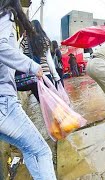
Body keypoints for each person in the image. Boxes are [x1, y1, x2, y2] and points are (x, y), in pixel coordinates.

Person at [0, 0, 56, 179]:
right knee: (42, 151)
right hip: (5, 101)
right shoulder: (5, 14)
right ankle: (54, 124)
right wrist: (33, 67)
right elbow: (2, 48)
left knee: (29, 148)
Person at [17, 19, 60, 102]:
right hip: (46, 74)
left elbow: (19, 55)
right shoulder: (45, 40)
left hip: (33, 76)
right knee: (52, 103)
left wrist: (22, 37)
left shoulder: (25, 40)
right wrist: (55, 75)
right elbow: (49, 60)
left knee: (42, 104)